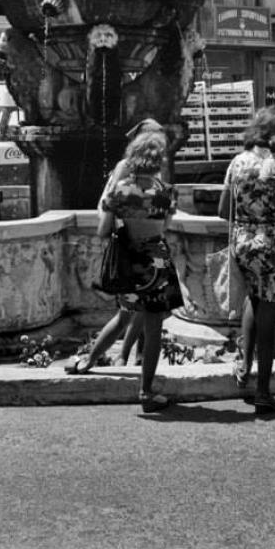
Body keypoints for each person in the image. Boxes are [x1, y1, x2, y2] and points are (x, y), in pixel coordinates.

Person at [65, 127, 182, 414]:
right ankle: (147, 391)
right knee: (154, 328)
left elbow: (104, 231)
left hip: (129, 262)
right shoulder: (165, 193)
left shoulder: (119, 191)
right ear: (158, 161)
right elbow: (163, 228)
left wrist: (122, 223)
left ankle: (88, 362)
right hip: (157, 263)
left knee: (123, 317)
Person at [221, 105, 275, 415]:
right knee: (268, 318)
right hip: (272, 246)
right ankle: (264, 392)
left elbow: (222, 209)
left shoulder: (237, 162)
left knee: (252, 303)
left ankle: (244, 367)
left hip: (242, 242)